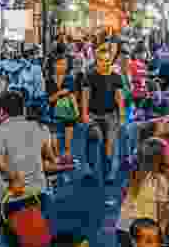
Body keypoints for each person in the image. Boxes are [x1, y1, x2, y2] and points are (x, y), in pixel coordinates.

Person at [0, 90, 55, 196]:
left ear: (1, 111)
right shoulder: (36, 127)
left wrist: (15, 177)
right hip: (39, 189)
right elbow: (47, 154)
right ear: (24, 110)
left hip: (13, 195)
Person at [81, 43, 125, 182]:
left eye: (107, 60)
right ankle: (89, 166)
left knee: (109, 144)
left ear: (110, 61)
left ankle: (109, 173)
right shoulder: (89, 75)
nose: (104, 63)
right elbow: (85, 96)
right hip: (93, 114)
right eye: (101, 60)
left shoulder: (116, 76)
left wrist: (122, 115)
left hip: (111, 115)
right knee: (92, 139)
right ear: (96, 60)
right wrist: (84, 114)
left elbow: (119, 97)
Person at [47, 51, 79, 158]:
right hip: (54, 111)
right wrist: (61, 93)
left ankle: (67, 152)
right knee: (53, 134)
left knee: (68, 132)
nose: (62, 66)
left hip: (67, 111)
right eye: (59, 63)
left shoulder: (70, 78)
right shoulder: (48, 80)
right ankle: (56, 155)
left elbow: (73, 96)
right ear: (53, 65)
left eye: (64, 64)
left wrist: (76, 110)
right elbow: (48, 99)